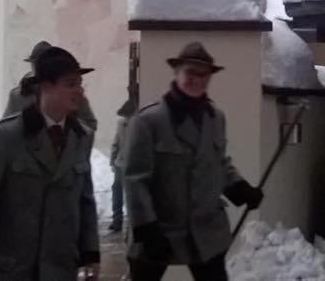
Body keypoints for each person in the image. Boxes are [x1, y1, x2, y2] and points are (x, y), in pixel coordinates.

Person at [0, 46, 100, 280]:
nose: (79, 91)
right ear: (46, 87)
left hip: (60, 269)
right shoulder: (3, 137)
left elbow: (85, 201)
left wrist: (90, 254)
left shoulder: (80, 136)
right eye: (70, 84)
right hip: (11, 270)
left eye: (79, 83)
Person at [123, 42, 263, 281]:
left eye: (203, 75)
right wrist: (147, 228)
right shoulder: (149, 121)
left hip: (206, 230)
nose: (197, 80)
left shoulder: (216, 117)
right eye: (190, 73)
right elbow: (135, 180)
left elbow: (218, 163)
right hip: (161, 230)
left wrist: (239, 188)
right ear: (177, 73)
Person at [5, 40, 98, 130]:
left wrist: (66, 126)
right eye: (36, 63)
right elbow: (6, 129)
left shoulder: (73, 95)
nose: (41, 67)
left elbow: (90, 125)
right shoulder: (18, 96)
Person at [109, 88, 138, 232]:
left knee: (130, 195)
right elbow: (116, 142)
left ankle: (130, 224)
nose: (125, 118)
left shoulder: (138, 123)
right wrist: (112, 160)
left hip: (132, 164)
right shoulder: (121, 123)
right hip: (121, 164)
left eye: (127, 116)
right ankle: (117, 220)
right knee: (117, 192)